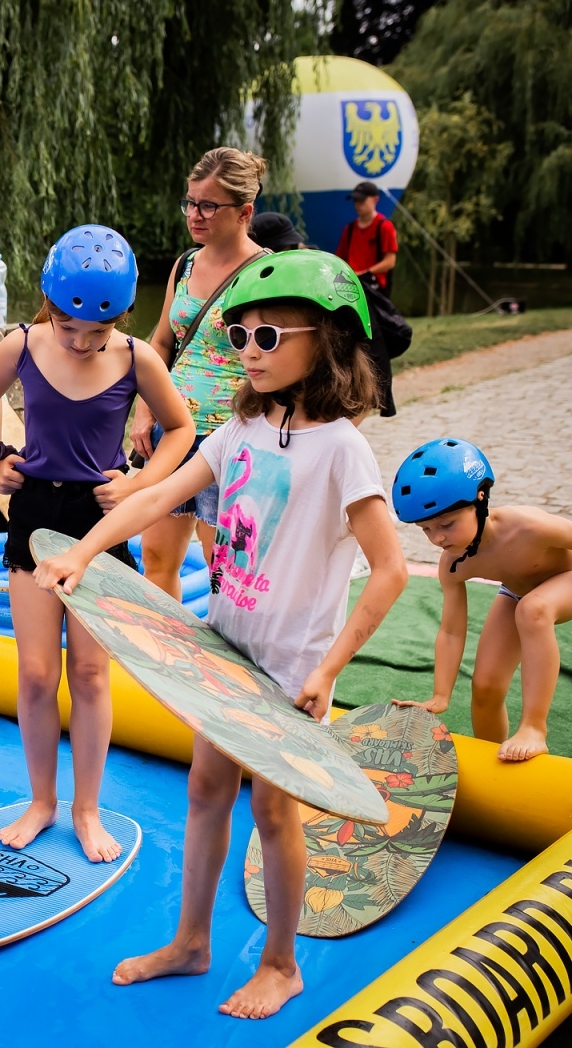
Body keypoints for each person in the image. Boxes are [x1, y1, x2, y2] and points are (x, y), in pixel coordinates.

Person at [37, 251, 408, 1019]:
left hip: (293, 670)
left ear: (331, 337)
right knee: (206, 791)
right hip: (225, 650)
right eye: (238, 335)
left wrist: (330, 669)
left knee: (274, 815)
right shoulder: (240, 426)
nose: (249, 352)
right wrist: (82, 549)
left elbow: (392, 570)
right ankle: (192, 942)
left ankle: (281, 964)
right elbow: (166, 494)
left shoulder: (342, 449)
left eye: (269, 335)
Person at [0, 226, 193, 861]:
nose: (81, 342)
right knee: (37, 673)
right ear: (50, 302)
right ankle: (41, 800)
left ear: (121, 316)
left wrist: (140, 483)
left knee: (91, 674)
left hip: (100, 520)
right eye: (70, 328)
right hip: (36, 509)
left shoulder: (134, 357)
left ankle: (87, 808)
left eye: (95, 333)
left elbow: (180, 430)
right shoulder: (21, 342)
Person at [131, 147, 270, 601]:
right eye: (190, 202)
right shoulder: (186, 263)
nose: (195, 214)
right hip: (173, 433)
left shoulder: (267, 274)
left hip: (231, 438)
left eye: (209, 205)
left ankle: (225, 668)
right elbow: (161, 343)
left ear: (244, 212)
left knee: (224, 571)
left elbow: (279, 360)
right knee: (156, 560)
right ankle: (162, 663)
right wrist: (144, 408)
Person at [390, 438, 572, 762]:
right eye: (426, 529)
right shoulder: (454, 563)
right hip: (520, 593)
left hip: (562, 583)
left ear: (480, 498)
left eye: (447, 524)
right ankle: (496, 763)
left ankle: (534, 728)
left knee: (534, 609)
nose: (438, 538)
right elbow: (451, 631)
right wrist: (440, 694)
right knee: (485, 687)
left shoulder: (527, 526)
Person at [335, 181, 403, 417]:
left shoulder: (383, 227)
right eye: (355, 200)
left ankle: (380, 393)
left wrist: (366, 272)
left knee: (377, 344)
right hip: (351, 290)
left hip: (375, 292)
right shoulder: (350, 229)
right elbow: (340, 259)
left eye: (361, 200)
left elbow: (390, 261)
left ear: (374, 200)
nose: (357, 205)